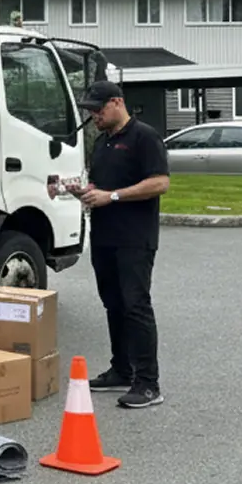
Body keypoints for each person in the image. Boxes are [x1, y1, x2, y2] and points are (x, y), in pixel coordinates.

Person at [71, 80, 170, 409]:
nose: (94, 116)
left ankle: (148, 383)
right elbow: (101, 186)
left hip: (134, 238)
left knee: (135, 305)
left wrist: (112, 196)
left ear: (117, 102)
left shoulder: (144, 137)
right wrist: (83, 191)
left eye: (98, 109)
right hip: (104, 236)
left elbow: (160, 182)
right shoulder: (103, 142)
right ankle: (122, 370)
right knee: (113, 304)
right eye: (90, 112)